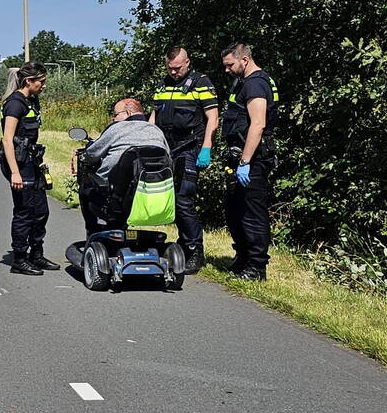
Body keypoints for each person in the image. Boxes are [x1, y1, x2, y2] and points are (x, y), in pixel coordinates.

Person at [148, 46, 219, 274]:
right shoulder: (163, 84)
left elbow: (213, 118)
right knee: (167, 198)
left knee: (183, 199)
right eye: (170, 68)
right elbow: (154, 116)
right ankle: (182, 243)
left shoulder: (201, 83)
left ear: (188, 63)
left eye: (177, 68)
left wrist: (206, 147)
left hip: (189, 148)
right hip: (166, 149)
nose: (174, 72)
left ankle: (194, 250)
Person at [220, 43, 278, 281]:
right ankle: (243, 259)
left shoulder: (255, 83)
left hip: (253, 159)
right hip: (243, 157)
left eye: (230, 65)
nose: (227, 70)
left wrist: (245, 161)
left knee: (252, 213)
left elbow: (258, 124)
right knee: (235, 210)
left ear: (244, 60)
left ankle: (256, 268)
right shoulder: (245, 82)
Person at [76, 98, 170, 236]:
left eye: (116, 114)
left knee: (85, 189)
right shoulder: (156, 131)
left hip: (117, 199)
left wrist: (83, 156)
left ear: (126, 113)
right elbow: (168, 156)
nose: (114, 119)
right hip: (152, 199)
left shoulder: (117, 129)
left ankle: (92, 232)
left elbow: (91, 154)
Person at [0, 61, 59, 275]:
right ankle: (20, 259)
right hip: (19, 164)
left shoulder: (31, 101)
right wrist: (15, 172)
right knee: (24, 211)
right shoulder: (15, 104)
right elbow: (7, 140)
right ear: (28, 81)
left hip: (32, 162)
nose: (44, 86)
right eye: (41, 82)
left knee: (41, 210)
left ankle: (37, 254)